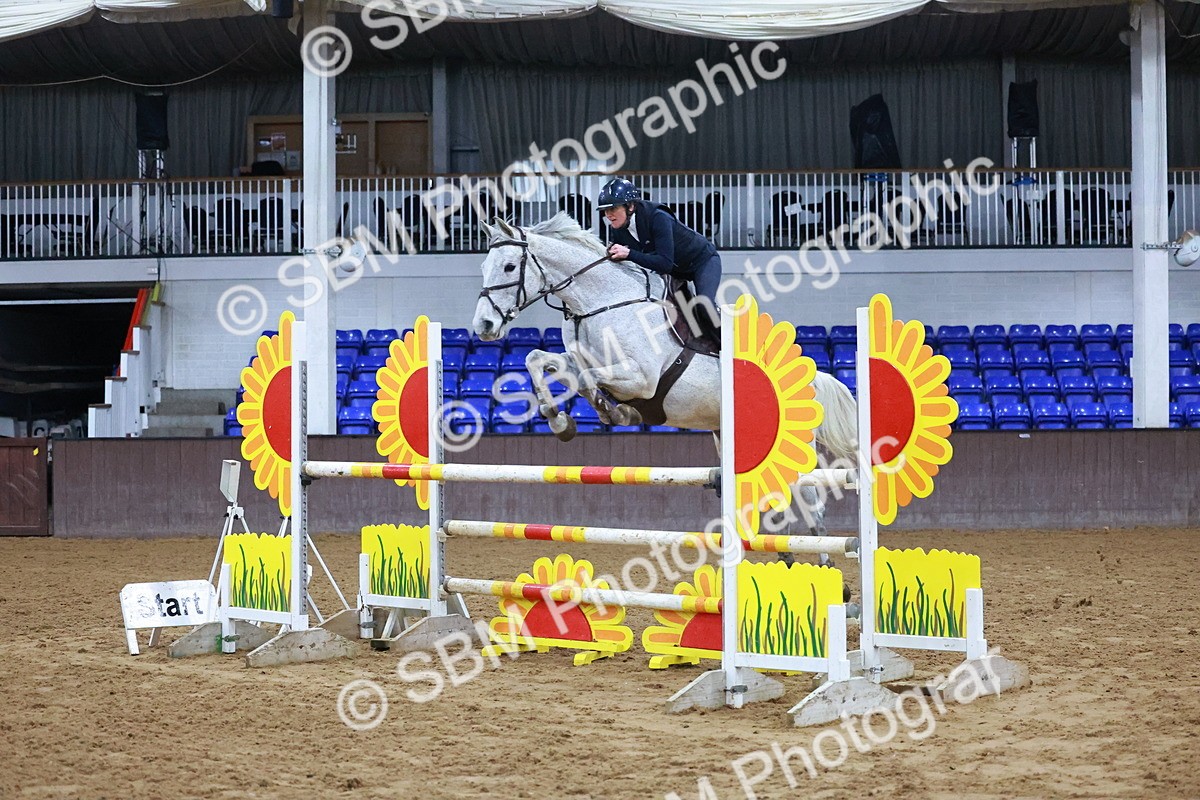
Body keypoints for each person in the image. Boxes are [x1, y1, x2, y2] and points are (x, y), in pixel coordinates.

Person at [597, 177, 722, 338]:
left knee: (704, 305)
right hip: (676, 271)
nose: (608, 215)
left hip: (702, 261)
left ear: (630, 206)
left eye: (613, 209)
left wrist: (629, 254)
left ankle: (728, 348)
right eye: (606, 211)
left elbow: (664, 264)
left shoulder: (658, 216)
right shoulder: (618, 229)